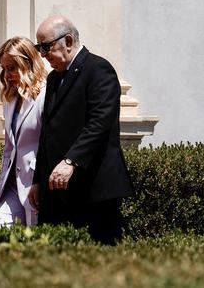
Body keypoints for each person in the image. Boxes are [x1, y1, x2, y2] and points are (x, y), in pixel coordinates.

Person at [32, 15, 134, 244]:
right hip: (57, 190)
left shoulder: (98, 69)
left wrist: (71, 161)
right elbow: (47, 132)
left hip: (93, 189)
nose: (42, 55)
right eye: (39, 48)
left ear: (68, 41)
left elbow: (100, 122)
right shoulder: (54, 78)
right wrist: (38, 180)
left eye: (46, 47)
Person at [0, 36, 47, 227]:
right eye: (4, 68)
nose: (6, 75)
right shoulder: (9, 98)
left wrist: (40, 181)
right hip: (11, 186)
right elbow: (9, 149)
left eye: (11, 68)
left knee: (37, 240)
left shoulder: (46, 95)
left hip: (34, 185)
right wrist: (0, 188)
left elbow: (49, 144)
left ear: (27, 64)